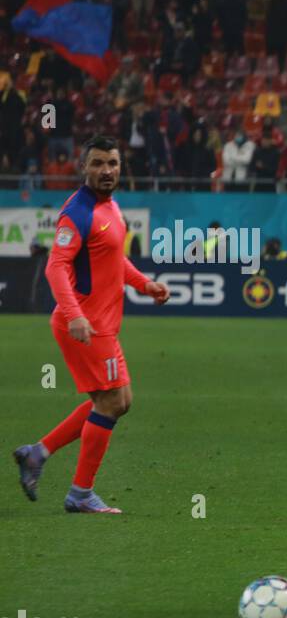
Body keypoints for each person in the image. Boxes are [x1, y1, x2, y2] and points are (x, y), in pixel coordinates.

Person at [13, 135, 170, 514]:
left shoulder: (111, 207)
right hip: (85, 326)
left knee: (120, 401)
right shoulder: (78, 211)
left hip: (101, 325)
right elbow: (55, 267)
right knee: (112, 401)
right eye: (98, 163)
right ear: (84, 167)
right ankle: (80, 493)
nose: (106, 170)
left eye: (112, 163)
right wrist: (75, 314)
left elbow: (115, 260)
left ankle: (38, 453)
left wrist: (143, 284)